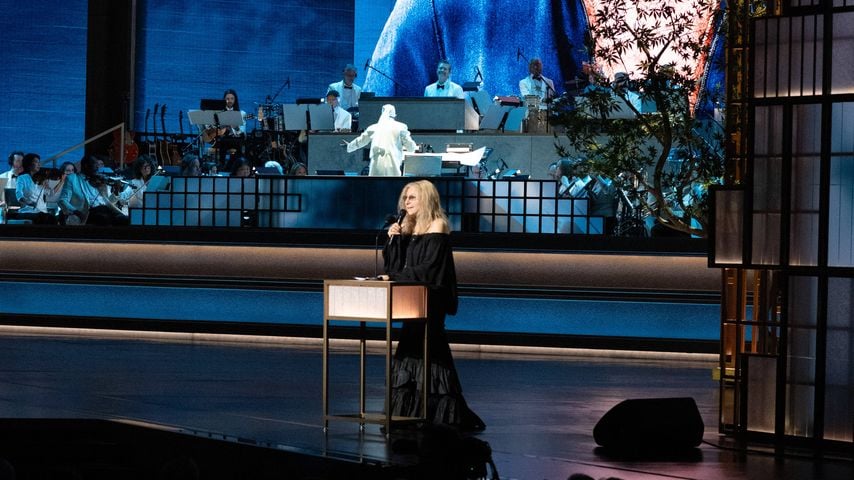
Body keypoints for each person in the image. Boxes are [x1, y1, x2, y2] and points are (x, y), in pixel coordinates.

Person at [380, 180, 484, 431]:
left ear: (426, 199)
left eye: (412, 198)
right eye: (405, 197)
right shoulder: (409, 228)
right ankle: (408, 412)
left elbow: (430, 269)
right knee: (410, 348)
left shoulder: (438, 226)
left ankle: (437, 413)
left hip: (432, 297)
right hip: (411, 296)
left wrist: (395, 277)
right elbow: (394, 267)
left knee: (431, 348)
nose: (407, 202)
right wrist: (393, 239)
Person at [345, 104, 417, 176]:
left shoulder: (374, 127)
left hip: (376, 164)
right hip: (393, 164)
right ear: (394, 115)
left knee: (376, 185)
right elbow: (410, 147)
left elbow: (361, 141)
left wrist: (349, 146)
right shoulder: (401, 127)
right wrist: (415, 148)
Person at [58, 155, 130, 226]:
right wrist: (76, 212)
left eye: (98, 165)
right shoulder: (73, 179)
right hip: (89, 214)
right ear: (86, 165)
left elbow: (108, 203)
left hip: (105, 211)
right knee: (103, 218)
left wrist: (116, 191)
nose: (98, 167)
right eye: (95, 165)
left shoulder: (98, 181)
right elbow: (62, 201)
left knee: (126, 220)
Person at [14, 153, 55, 224]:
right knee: (44, 218)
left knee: (52, 218)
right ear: (29, 164)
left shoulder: (40, 179)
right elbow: (19, 194)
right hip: (29, 211)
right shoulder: (22, 178)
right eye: (36, 162)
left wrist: (48, 187)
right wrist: (28, 202)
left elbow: (50, 194)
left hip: (42, 211)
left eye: (39, 162)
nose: (39, 165)